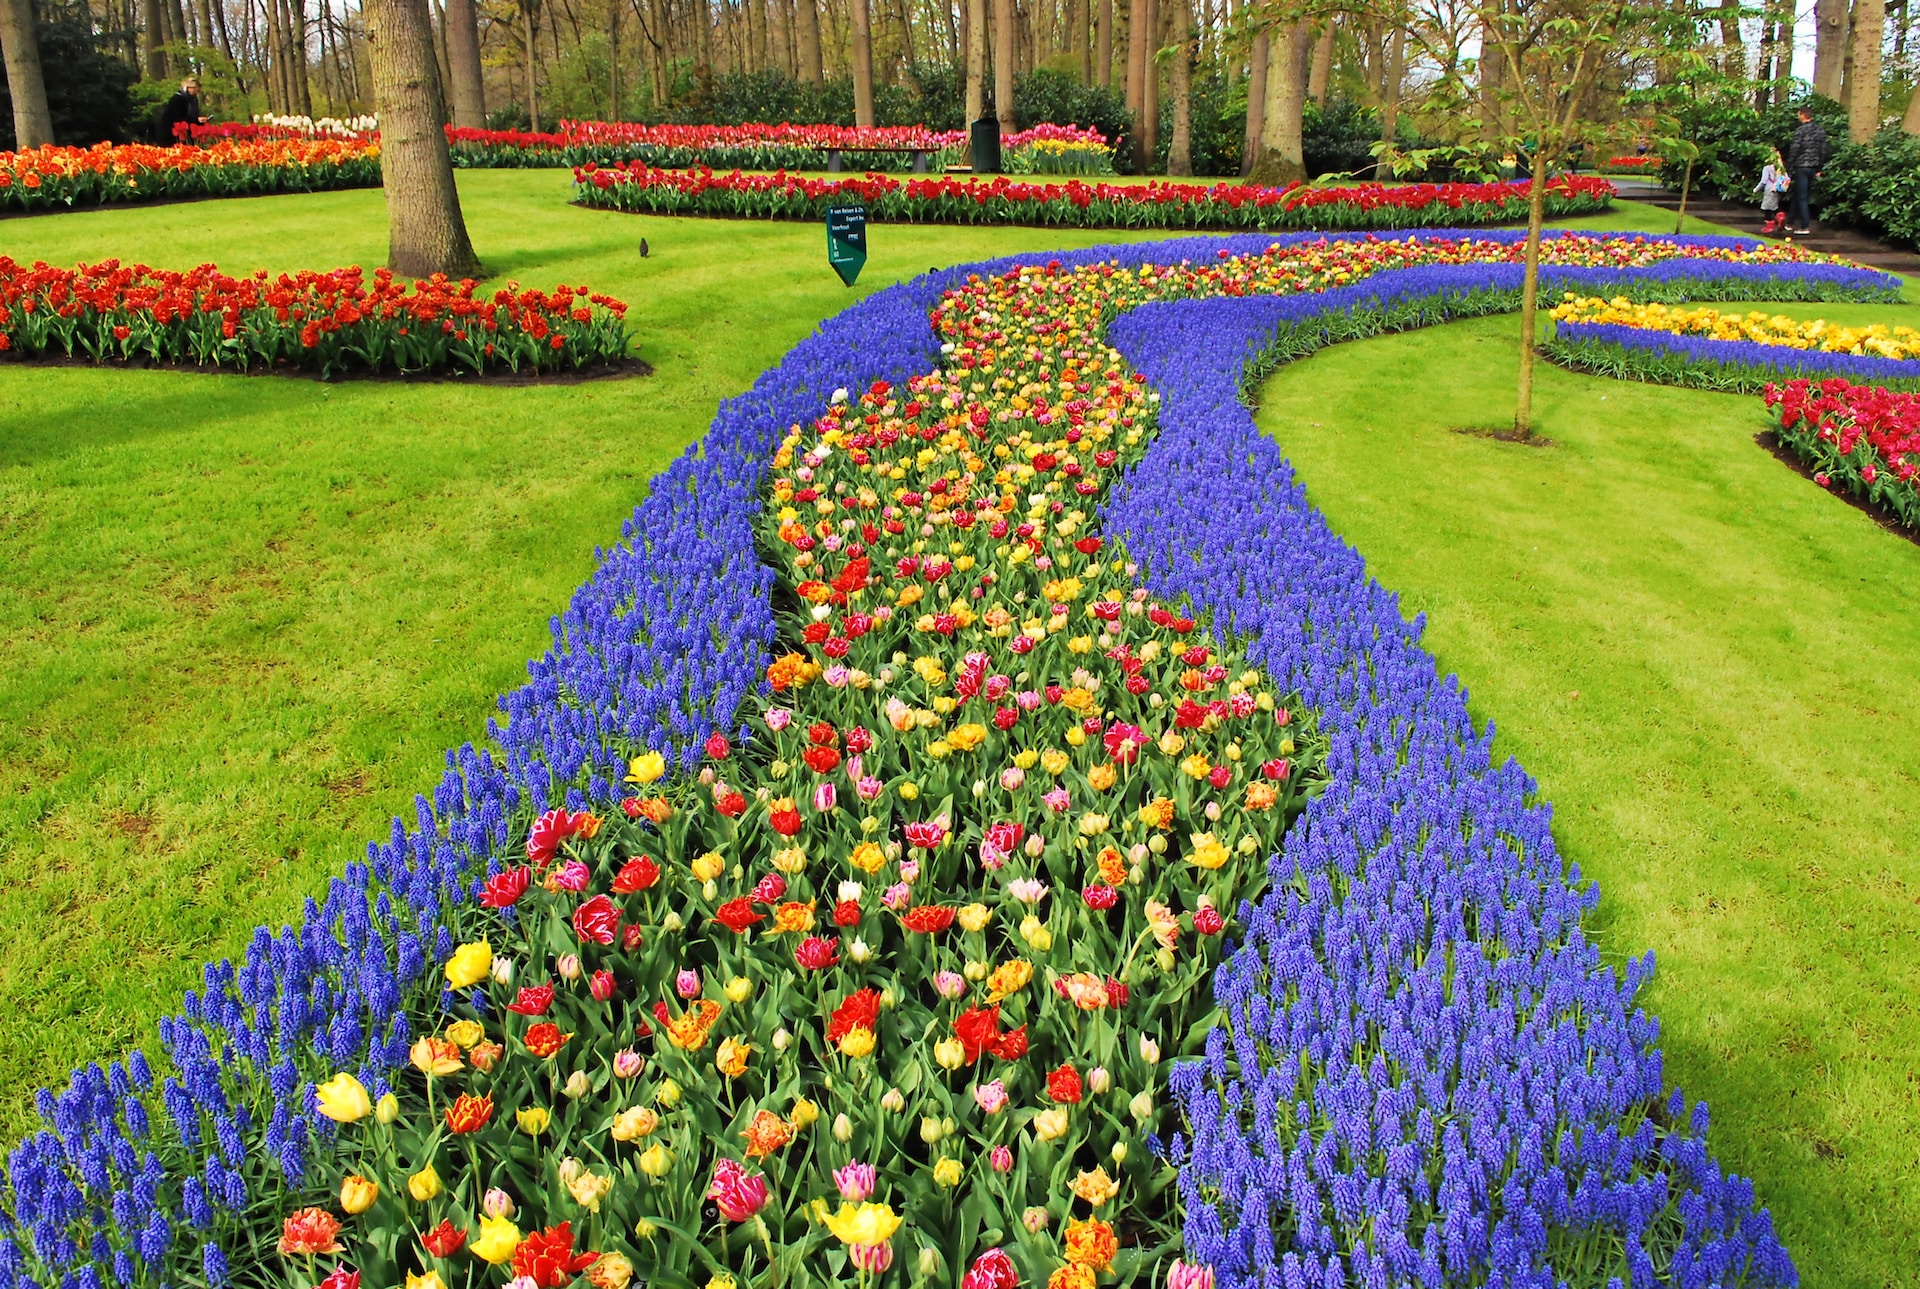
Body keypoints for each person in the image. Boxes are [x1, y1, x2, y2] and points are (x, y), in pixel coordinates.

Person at [1785, 106, 1830, 236]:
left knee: (1802, 196)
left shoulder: (1800, 131)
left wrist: (1788, 166)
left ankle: (1805, 226)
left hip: (1801, 166)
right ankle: (1790, 222)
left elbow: (1795, 149)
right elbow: (1823, 151)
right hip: (1814, 166)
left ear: (1802, 115)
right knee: (1798, 194)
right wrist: (1819, 168)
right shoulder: (1820, 130)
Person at [153, 76, 207, 145]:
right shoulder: (177, 99)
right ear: (189, 88)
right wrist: (196, 120)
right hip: (170, 134)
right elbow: (179, 118)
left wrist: (199, 122)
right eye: (196, 90)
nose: (196, 93)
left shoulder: (192, 100)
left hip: (183, 134)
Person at [1757, 148, 1790, 235]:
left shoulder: (1767, 168)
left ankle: (1769, 226)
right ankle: (1781, 216)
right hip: (1778, 189)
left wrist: (1756, 189)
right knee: (1774, 206)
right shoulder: (1781, 168)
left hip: (1769, 189)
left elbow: (1764, 181)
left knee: (1766, 208)